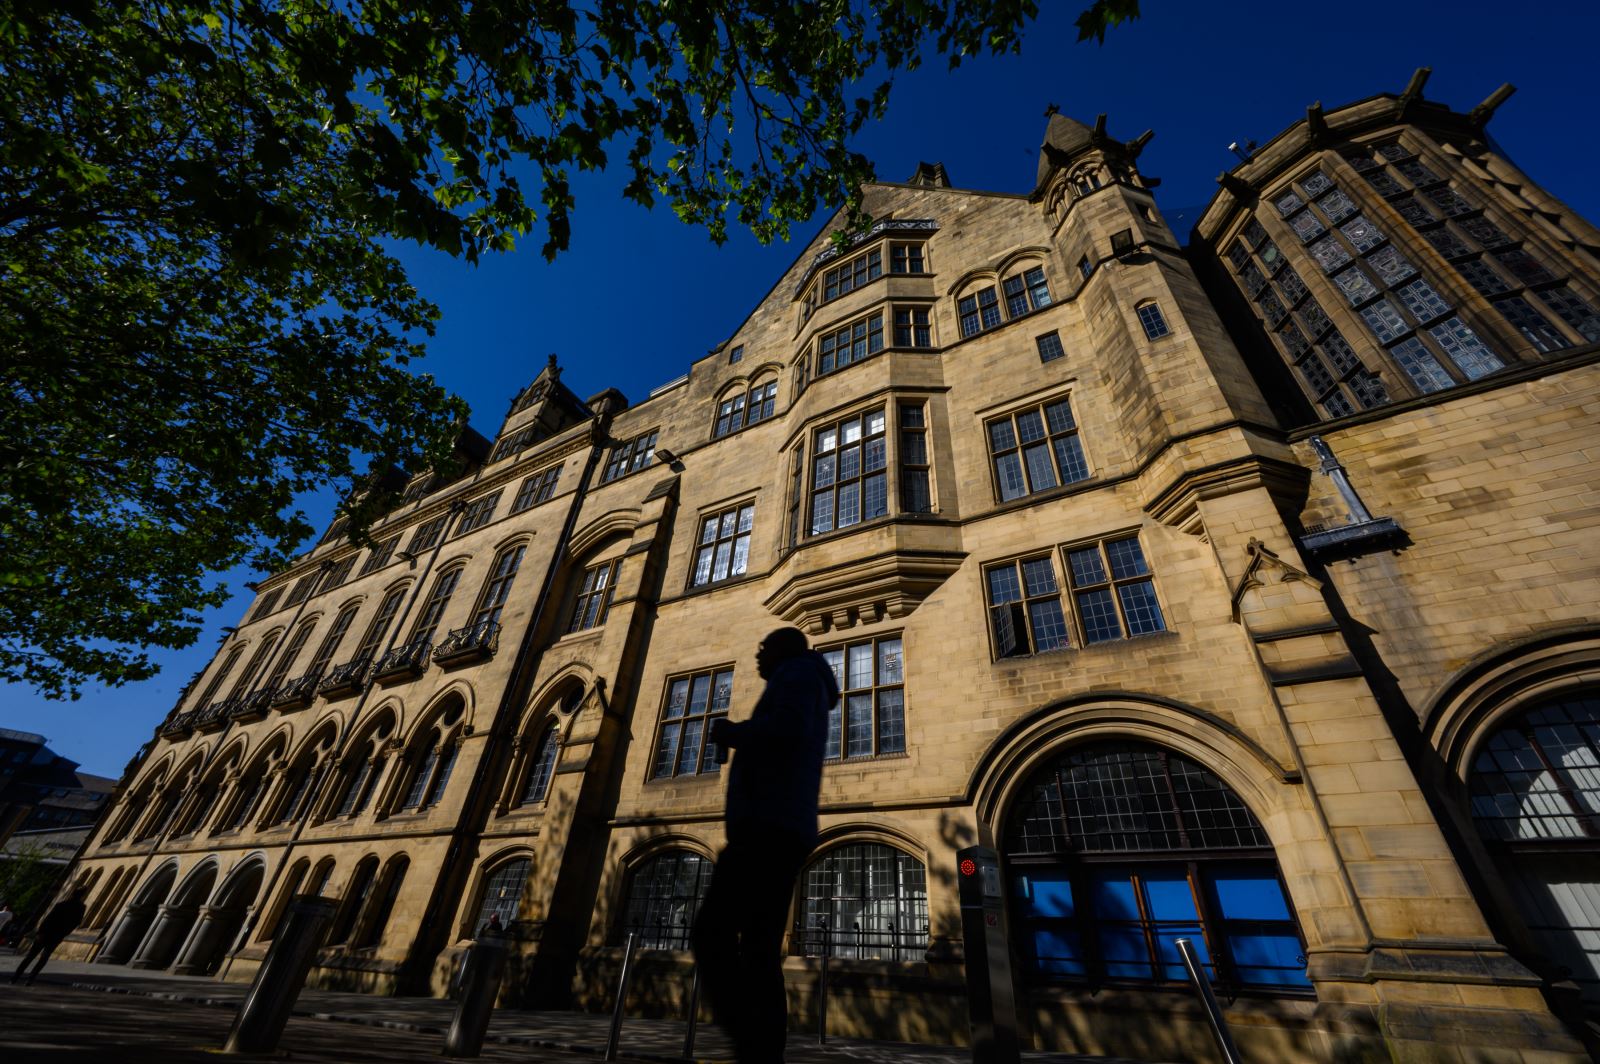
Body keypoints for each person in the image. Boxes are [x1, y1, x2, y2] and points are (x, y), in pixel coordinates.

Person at [694, 627, 838, 1064]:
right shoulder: (799, 676)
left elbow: (786, 731)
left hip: (768, 827)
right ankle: (761, 1051)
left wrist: (736, 733)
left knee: (712, 933)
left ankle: (751, 1043)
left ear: (782, 651)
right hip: (780, 825)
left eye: (763, 649)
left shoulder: (795, 675)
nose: (756, 656)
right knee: (758, 948)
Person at [11, 888, 88, 986]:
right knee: (44, 958)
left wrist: (40, 932)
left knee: (31, 956)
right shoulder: (81, 908)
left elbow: (48, 919)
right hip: (58, 935)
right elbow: (77, 922)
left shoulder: (61, 905)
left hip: (46, 933)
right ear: (82, 896)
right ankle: (30, 979)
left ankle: (15, 977)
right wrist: (65, 932)